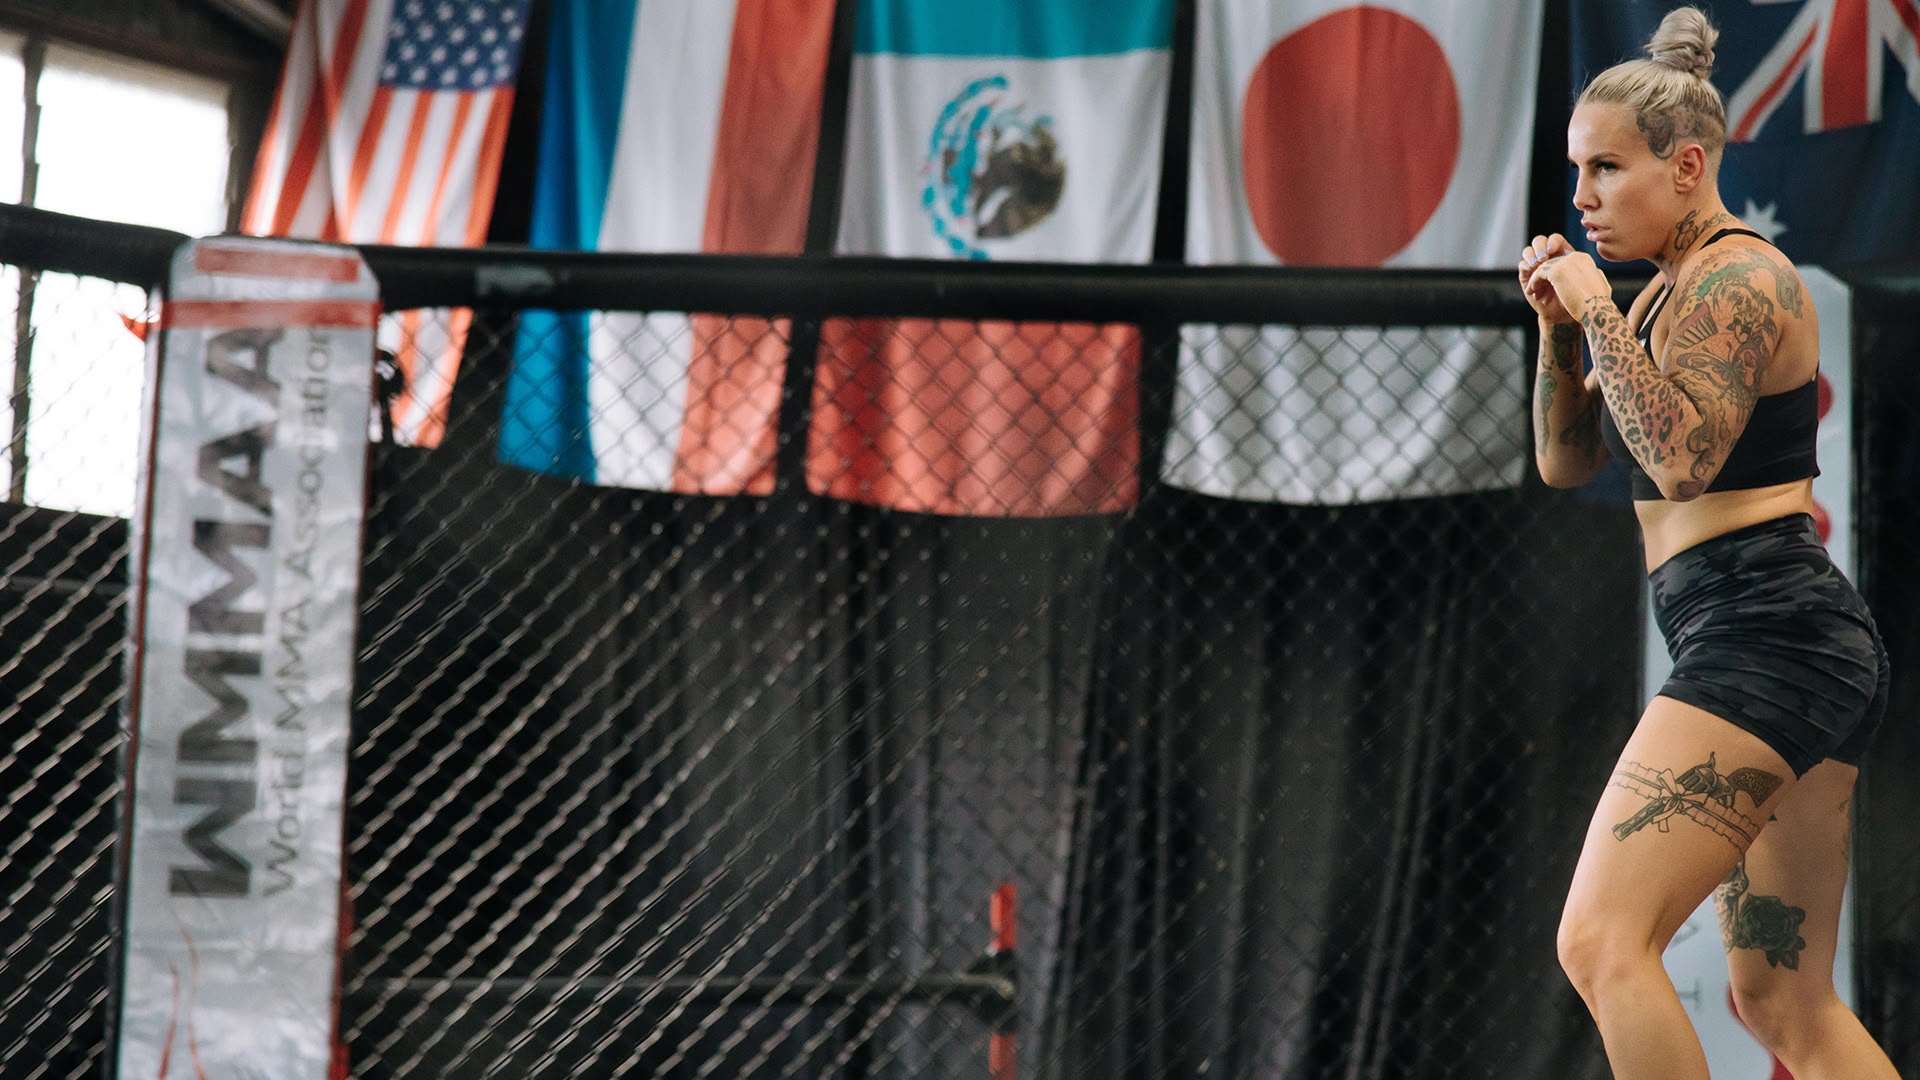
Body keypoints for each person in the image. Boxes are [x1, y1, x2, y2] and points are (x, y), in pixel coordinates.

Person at [1518, 7, 1899, 1079]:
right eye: (1577, 170)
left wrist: (1596, 309)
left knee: (1601, 942)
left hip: (1766, 637)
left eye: (1606, 168)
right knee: (1782, 1001)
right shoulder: (1661, 295)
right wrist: (1560, 328)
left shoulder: (1738, 279)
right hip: (1777, 645)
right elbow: (1568, 462)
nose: (1583, 197)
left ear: (1686, 167)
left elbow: (1681, 459)